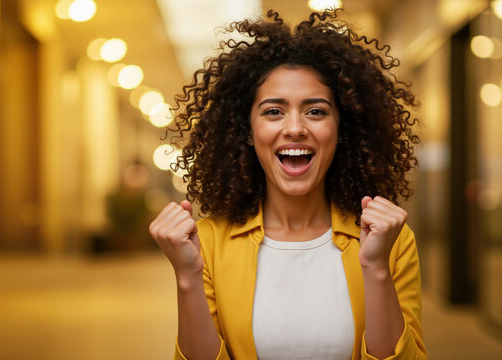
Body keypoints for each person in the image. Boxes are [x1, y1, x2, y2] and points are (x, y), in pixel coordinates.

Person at [149, 9, 427, 360]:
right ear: (247, 133)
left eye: (316, 111)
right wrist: (187, 276)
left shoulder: (392, 240)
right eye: (273, 111)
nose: (295, 127)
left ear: (342, 131)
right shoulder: (208, 242)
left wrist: (377, 269)